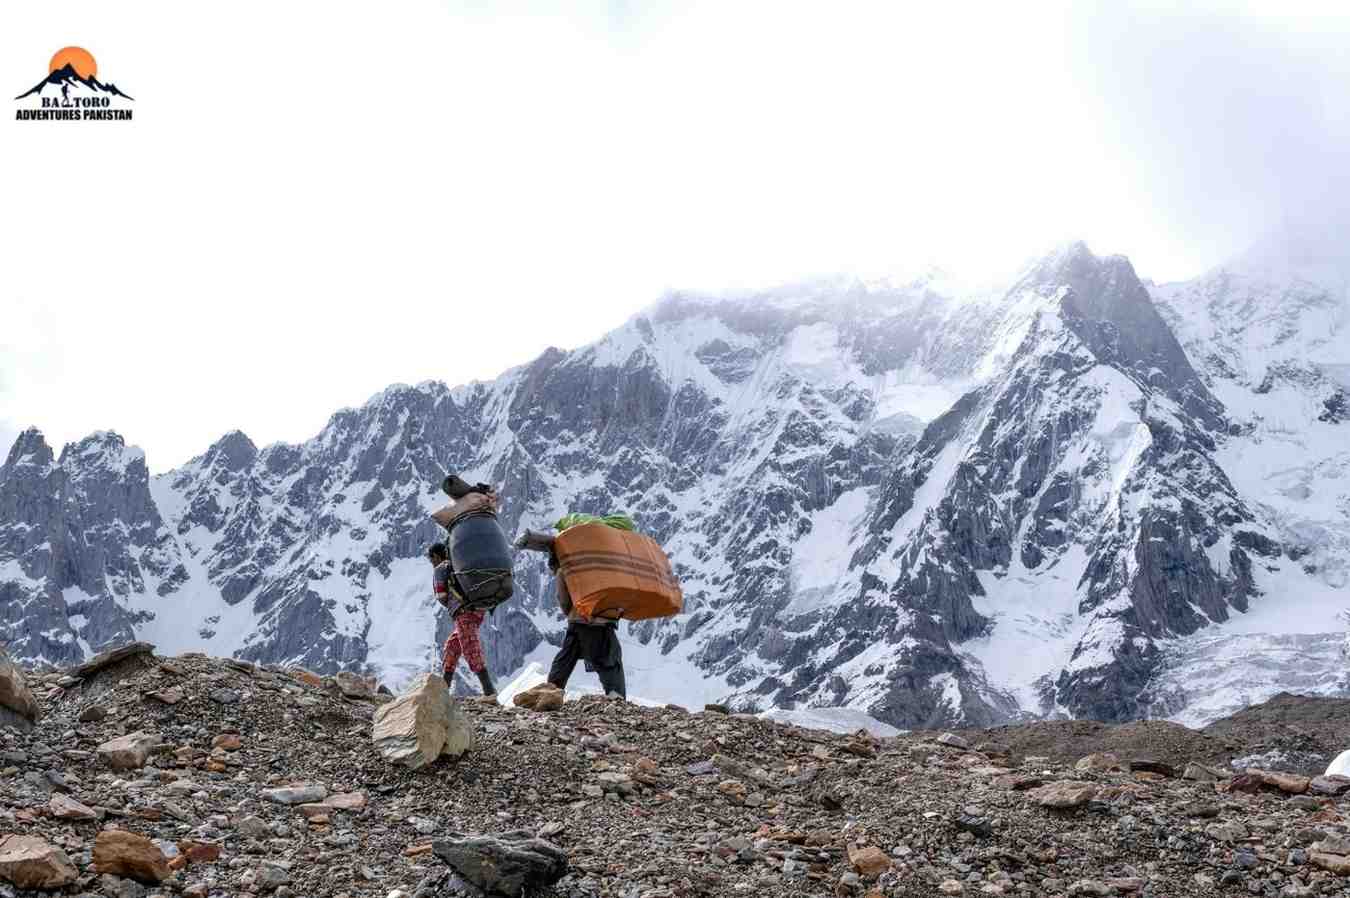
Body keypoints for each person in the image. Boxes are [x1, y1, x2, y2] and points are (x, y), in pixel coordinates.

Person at [544, 550, 626, 699]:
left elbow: (562, 599)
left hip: (576, 622)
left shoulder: (565, 570)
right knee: (609, 659)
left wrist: (573, 614)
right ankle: (616, 696)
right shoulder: (603, 565)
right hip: (601, 622)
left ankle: (550, 692)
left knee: (565, 659)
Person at [429, 541, 496, 697]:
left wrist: (451, 602)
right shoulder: (459, 565)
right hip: (477, 610)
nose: (432, 563)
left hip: (463, 612)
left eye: (431, 560)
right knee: (452, 647)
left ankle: (490, 693)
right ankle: (444, 690)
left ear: (436, 556)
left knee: (471, 649)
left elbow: (441, 595)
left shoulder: (441, 568)